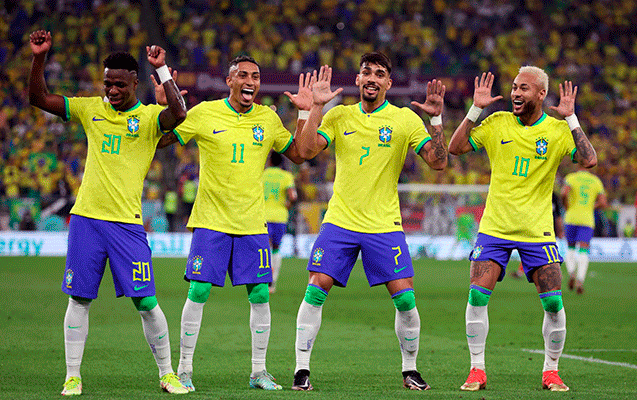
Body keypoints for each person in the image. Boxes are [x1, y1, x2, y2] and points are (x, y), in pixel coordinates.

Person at [28, 30, 189, 395]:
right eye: (107, 84)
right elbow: (38, 98)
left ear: (135, 84)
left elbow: (179, 113)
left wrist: (162, 69)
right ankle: (72, 376)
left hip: (127, 225)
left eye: (119, 85)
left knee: (146, 301)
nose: (112, 90)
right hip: (86, 219)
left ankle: (167, 374)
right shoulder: (91, 109)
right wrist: (39, 58)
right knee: (79, 298)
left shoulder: (149, 118)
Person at [291, 52, 448, 391]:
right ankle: (301, 369)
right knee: (316, 287)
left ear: (388, 83)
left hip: (384, 224)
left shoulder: (404, 119)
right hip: (340, 221)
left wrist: (436, 120)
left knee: (405, 299)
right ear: (358, 79)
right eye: (367, 72)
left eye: (379, 73)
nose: (372, 78)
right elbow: (304, 151)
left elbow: (438, 162)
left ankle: (410, 370)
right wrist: (315, 107)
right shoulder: (339, 115)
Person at [153, 55, 308, 392]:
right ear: (230, 81)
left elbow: (298, 153)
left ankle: (258, 372)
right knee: (199, 290)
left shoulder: (268, 118)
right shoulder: (205, 113)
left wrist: (305, 114)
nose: (250, 81)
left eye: (255, 76)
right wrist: (162, 110)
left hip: (252, 222)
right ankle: (183, 370)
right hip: (212, 220)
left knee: (260, 294)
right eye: (243, 75)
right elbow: (161, 140)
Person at [448, 68, 597, 392]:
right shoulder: (496, 122)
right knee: (477, 295)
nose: (515, 93)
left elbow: (589, 160)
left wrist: (571, 118)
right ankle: (476, 370)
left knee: (553, 303)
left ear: (541, 94)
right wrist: (475, 109)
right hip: (495, 227)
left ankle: (551, 372)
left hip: (536, 231)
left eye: (524, 88)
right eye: (514, 87)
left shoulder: (557, 130)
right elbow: (455, 147)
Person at [561, 165, 607, 294]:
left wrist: (566, 205)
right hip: (587, 220)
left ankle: (571, 273)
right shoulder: (595, 181)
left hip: (571, 217)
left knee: (570, 248)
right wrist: (591, 206)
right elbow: (603, 203)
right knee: (583, 250)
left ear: (578, 165)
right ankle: (580, 280)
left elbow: (564, 193)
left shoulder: (571, 178)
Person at [263, 151, 298, 293]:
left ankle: (262, 279)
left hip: (263, 216)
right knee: (276, 249)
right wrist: (287, 205)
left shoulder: (262, 175)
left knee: (264, 248)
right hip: (280, 216)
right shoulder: (286, 176)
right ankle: (272, 283)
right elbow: (293, 196)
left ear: (270, 161)